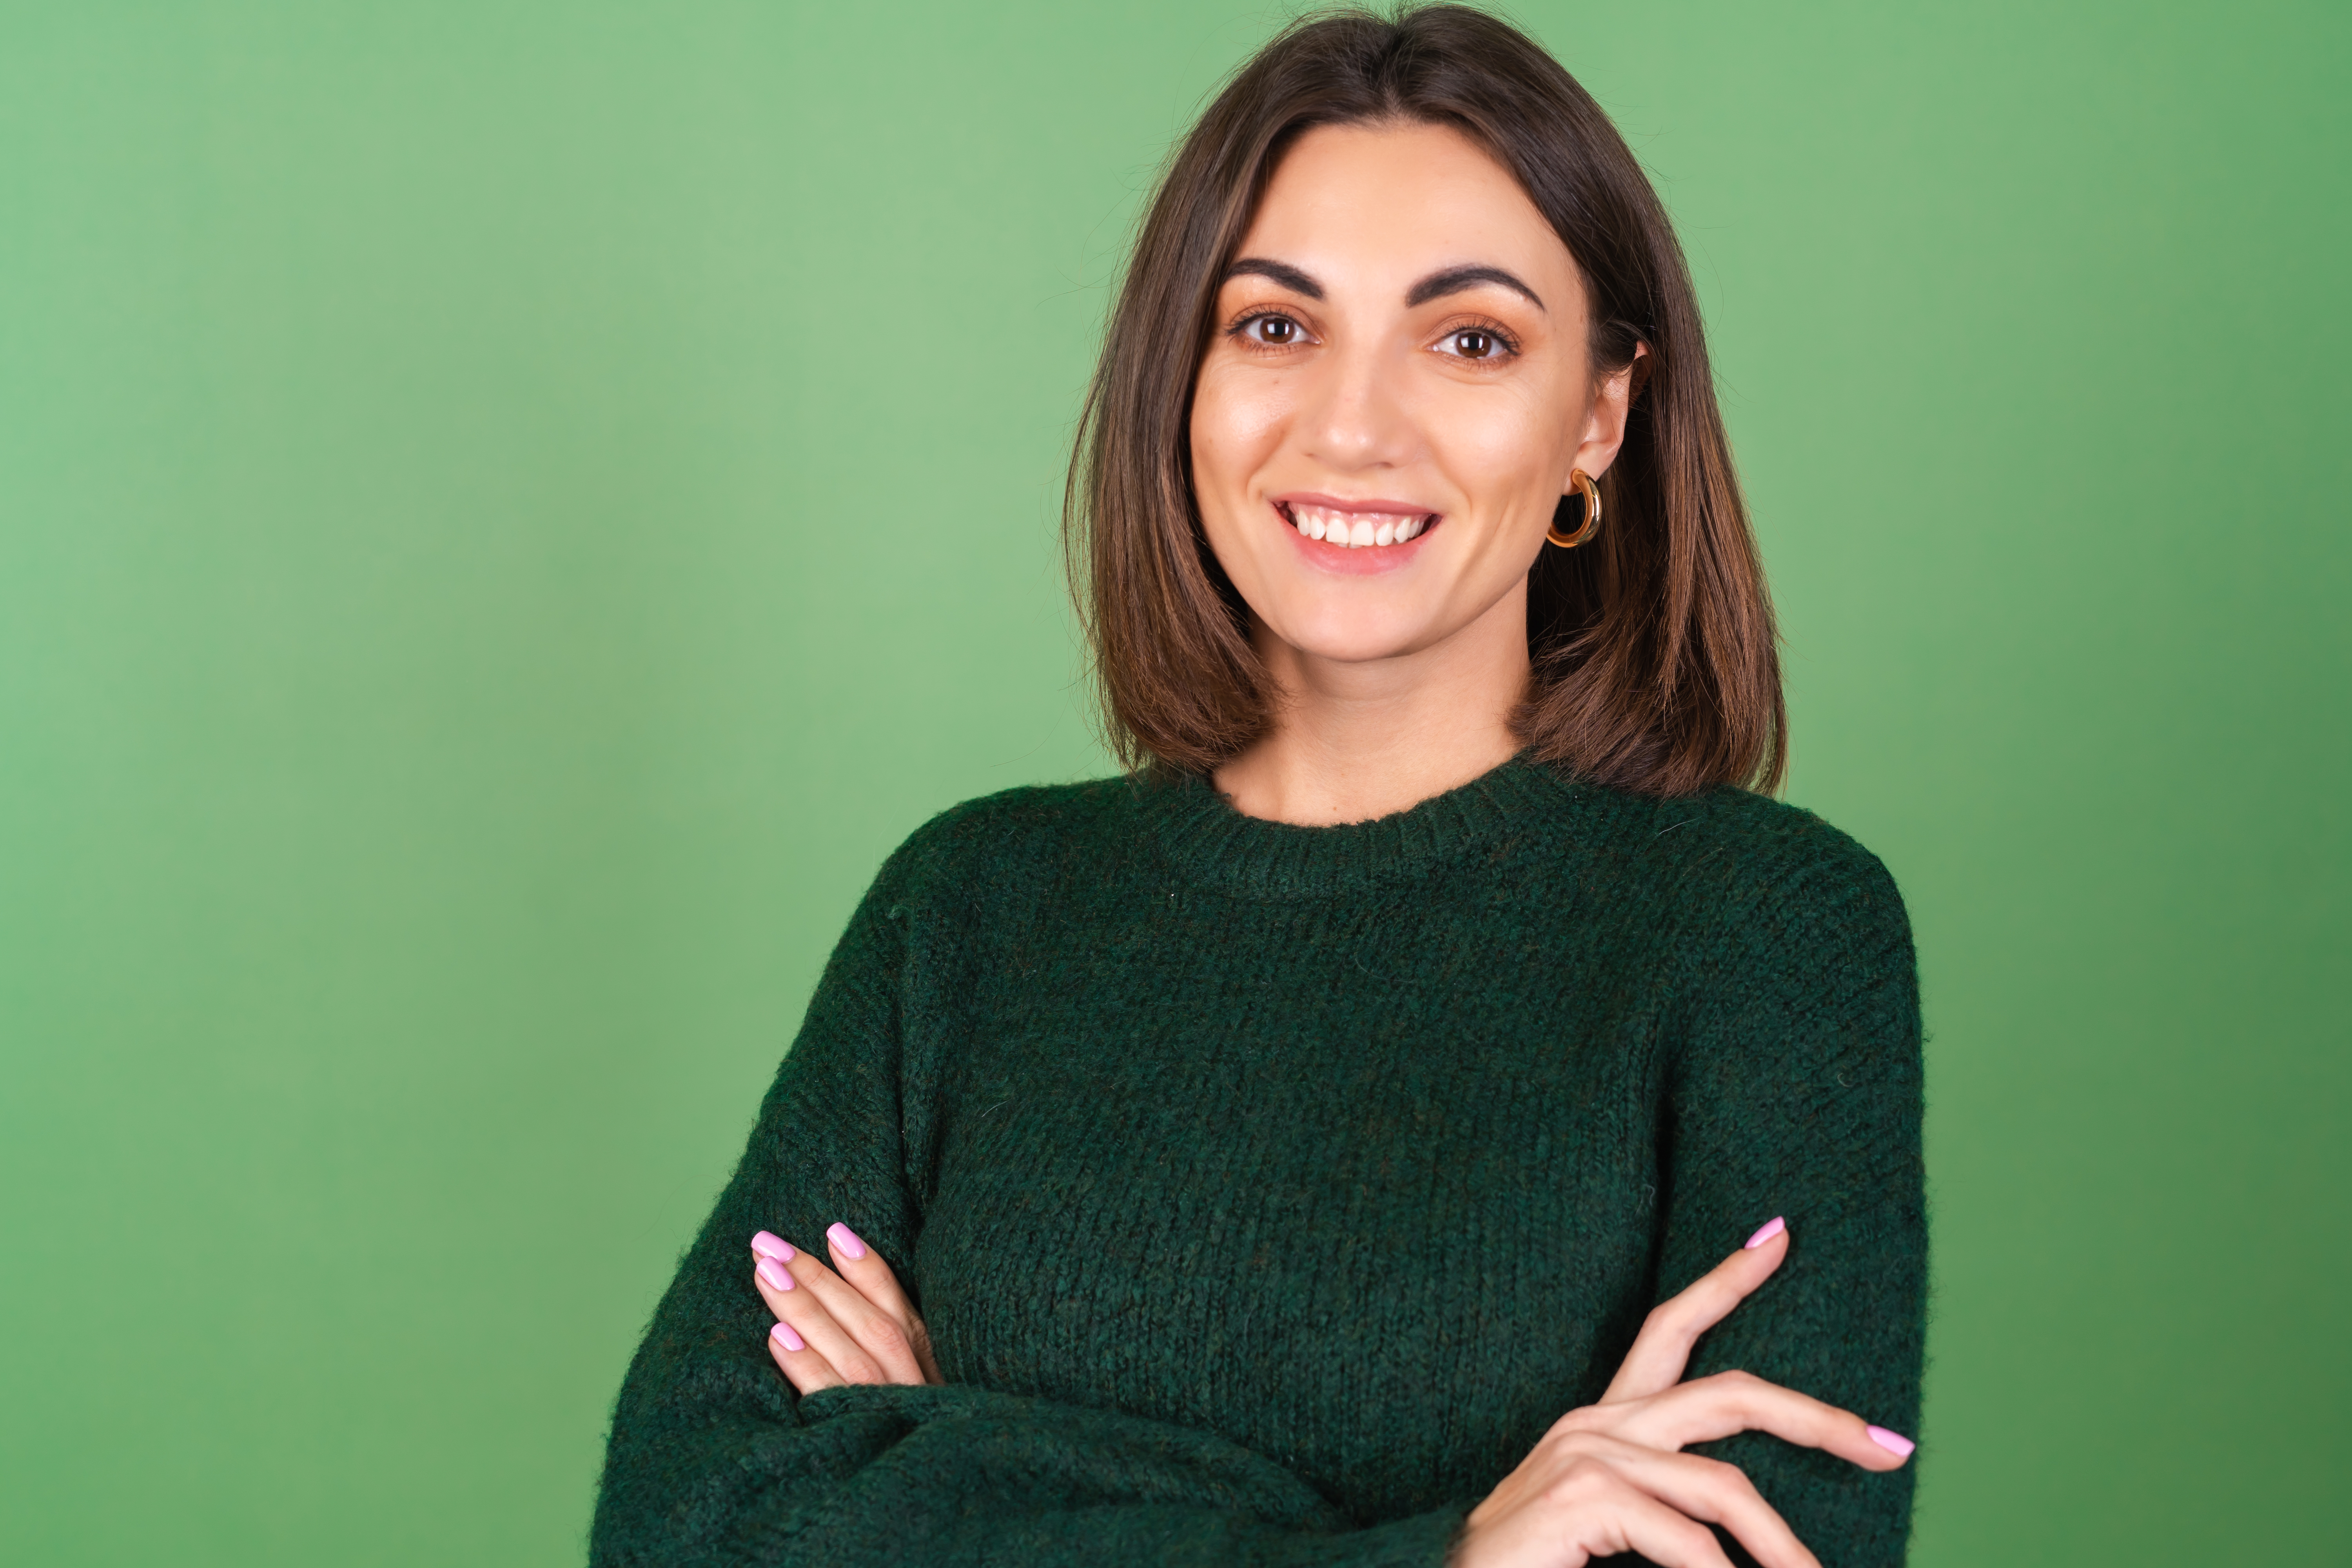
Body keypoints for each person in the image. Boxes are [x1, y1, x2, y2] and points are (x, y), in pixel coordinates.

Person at [590, 7, 1924, 1565]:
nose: (1352, 427)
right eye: (1276, 327)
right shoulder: (969, 908)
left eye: (1471, 338)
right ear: (1186, 382)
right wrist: (1448, 1547)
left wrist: (951, 1468)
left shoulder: (1764, 933)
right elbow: (679, 1525)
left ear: (1599, 418)